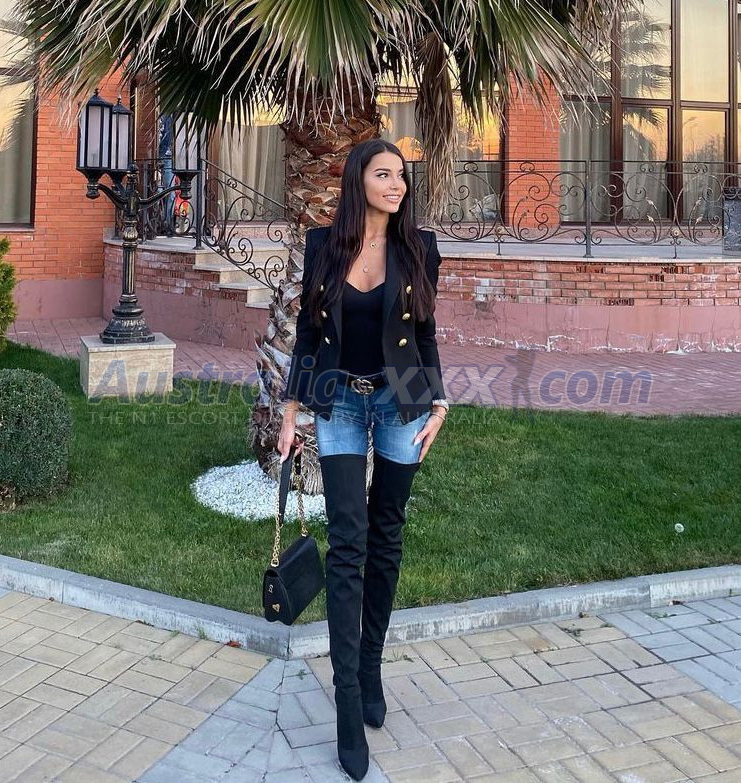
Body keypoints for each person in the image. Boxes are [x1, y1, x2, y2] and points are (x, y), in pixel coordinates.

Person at [276, 138, 450, 780]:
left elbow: (425, 331)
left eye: (401, 176)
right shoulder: (323, 245)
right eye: (384, 174)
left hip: (401, 401)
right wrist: (291, 408)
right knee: (347, 542)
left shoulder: (419, 247)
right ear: (359, 181)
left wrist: (439, 402)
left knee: (387, 534)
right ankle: (348, 699)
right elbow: (307, 330)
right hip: (339, 402)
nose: (397, 184)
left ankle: (371, 665)